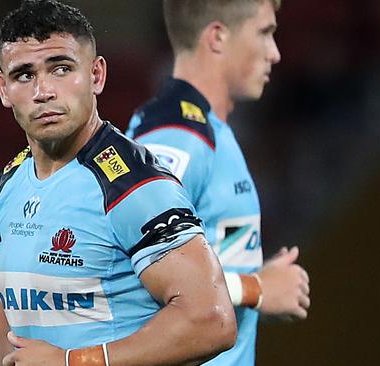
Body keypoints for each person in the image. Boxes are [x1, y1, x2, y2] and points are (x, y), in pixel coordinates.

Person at [0, 1, 237, 365]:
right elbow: (23, 303)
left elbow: (212, 321)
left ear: (96, 75)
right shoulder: (11, 181)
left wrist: (75, 361)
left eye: (61, 69)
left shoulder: (134, 185)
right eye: (24, 75)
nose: (43, 92)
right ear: (3, 89)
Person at [126, 0, 310, 365]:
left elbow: (192, 258)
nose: (274, 53)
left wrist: (252, 276)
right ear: (217, 37)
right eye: (264, 33)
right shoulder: (177, 137)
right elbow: (134, 279)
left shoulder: (210, 131)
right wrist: (256, 288)